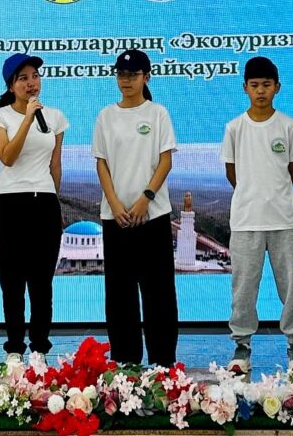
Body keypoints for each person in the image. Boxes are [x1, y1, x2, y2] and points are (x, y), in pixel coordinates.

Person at [221, 56, 293, 377]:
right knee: (244, 287)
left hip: (283, 219)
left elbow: (292, 172)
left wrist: (273, 195)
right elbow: (232, 173)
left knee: (292, 285)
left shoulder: (289, 126)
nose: (260, 91)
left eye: (266, 85)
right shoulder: (234, 128)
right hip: (246, 220)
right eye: (255, 85)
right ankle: (242, 346)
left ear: (277, 87)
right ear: (244, 87)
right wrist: (253, 195)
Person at [93, 49, 178, 367]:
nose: (126, 81)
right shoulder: (106, 116)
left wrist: (145, 198)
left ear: (146, 77)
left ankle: (163, 363)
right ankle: (126, 363)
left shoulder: (157, 114)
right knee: (120, 295)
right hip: (116, 218)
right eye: (121, 74)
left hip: (152, 215)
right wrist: (115, 204)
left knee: (159, 293)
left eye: (132, 75)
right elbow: (101, 163)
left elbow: (165, 160)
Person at [0, 53, 67, 365]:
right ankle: (15, 349)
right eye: (23, 78)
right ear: (11, 85)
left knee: (42, 282)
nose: (31, 83)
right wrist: (28, 119)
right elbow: (8, 156)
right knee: (12, 280)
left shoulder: (55, 117)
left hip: (43, 202)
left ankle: (40, 349)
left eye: (35, 76)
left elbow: (55, 165)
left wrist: (53, 199)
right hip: (8, 203)